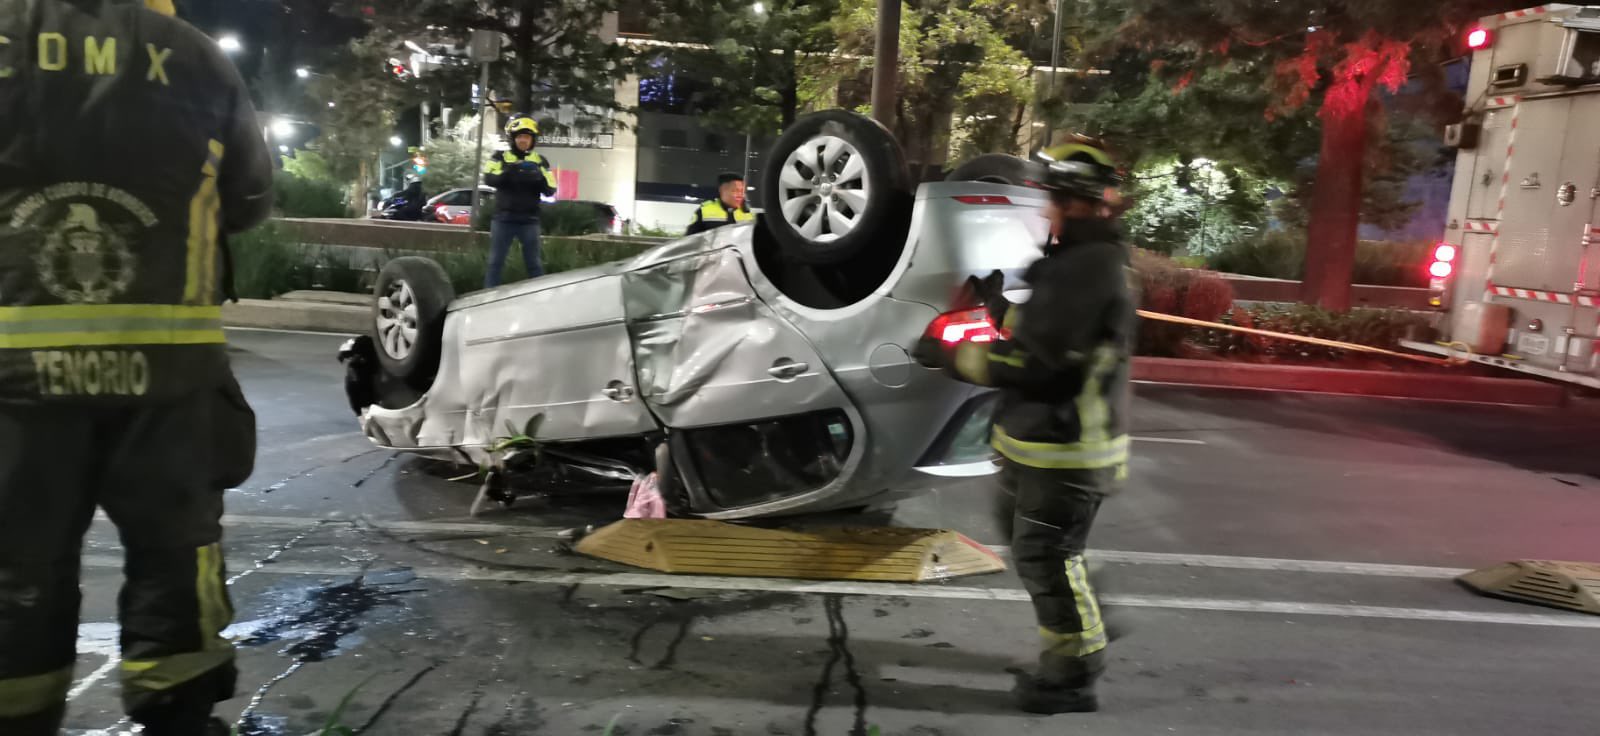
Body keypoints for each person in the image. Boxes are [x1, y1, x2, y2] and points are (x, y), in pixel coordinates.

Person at [0, 0, 274, 734]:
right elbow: (249, 196)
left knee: (16, 566)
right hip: (170, 371)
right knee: (176, 554)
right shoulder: (196, 57)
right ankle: (177, 714)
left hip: (12, 372)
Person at [915, 140, 1133, 715]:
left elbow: (1039, 364)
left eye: (1051, 199)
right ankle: (1086, 619)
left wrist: (952, 356)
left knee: (1047, 557)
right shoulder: (1079, 262)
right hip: (1040, 445)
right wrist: (998, 310)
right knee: (1039, 550)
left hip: (1065, 451)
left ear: (1074, 202)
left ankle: (1072, 675)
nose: (1044, 210)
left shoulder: (1089, 268)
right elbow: (1049, 330)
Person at [483, 114, 557, 288]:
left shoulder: (540, 161)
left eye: (527, 137)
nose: (524, 140)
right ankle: (487, 298)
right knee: (495, 263)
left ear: (533, 140)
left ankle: (539, 298)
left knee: (534, 264)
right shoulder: (499, 158)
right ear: (513, 138)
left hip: (529, 221)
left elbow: (551, 189)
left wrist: (538, 178)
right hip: (504, 219)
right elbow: (489, 179)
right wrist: (509, 172)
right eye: (520, 136)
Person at [685, 172, 754, 236]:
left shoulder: (747, 213)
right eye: (735, 191)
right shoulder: (704, 211)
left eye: (742, 191)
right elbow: (689, 240)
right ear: (722, 190)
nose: (740, 195)